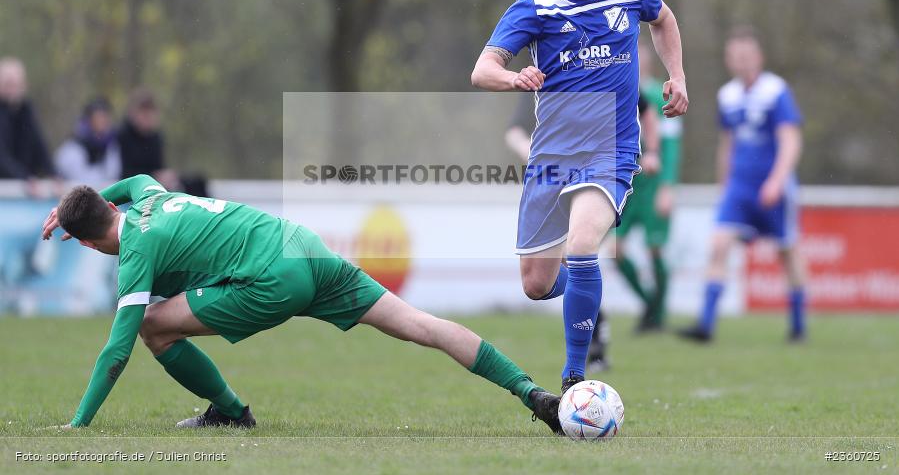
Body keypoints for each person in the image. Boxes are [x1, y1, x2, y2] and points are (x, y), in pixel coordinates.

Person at [40, 174, 563, 433]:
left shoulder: (134, 251)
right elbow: (132, 182)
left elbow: (117, 349)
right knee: (419, 324)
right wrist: (79, 206)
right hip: (302, 246)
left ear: (84, 242)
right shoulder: (149, 195)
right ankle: (532, 393)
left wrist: (78, 425)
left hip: (269, 279)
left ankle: (231, 412)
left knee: (152, 326)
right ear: (109, 204)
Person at [471, 0, 688, 393]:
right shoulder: (534, 6)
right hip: (552, 157)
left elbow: (664, 19)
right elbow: (482, 70)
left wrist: (677, 76)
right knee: (536, 283)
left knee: (583, 245)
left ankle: (575, 381)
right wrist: (514, 78)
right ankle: (588, 301)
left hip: (611, 152)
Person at [505, 87, 661, 372]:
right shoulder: (539, 77)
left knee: (580, 248)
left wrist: (652, 151)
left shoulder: (602, 68)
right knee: (547, 277)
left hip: (599, 174)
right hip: (550, 177)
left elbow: (646, 109)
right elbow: (514, 130)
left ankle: (588, 354)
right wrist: (533, 151)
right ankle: (595, 314)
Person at [678, 27, 806, 343]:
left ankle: (798, 326)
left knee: (787, 251)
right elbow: (728, 144)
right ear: (728, 60)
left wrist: (777, 181)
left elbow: (790, 139)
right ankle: (706, 325)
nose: (742, 62)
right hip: (739, 187)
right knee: (719, 245)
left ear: (759, 57)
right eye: (736, 56)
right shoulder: (728, 95)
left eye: (747, 55)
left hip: (772, 186)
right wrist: (724, 185)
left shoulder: (776, 91)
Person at [591, 35, 682, 345]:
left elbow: (671, 146)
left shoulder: (659, 95)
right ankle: (650, 307)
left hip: (653, 187)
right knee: (615, 251)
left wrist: (667, 186)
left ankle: (658, 316)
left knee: (654, 248)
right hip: (625, 186)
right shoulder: (616, 91)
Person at [0, 57, 56, 191]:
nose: (13, 89)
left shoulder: (26, 109)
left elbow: (38, 144)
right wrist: (24, 177)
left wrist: (53, 174)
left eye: (16, 84)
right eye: (9, 84)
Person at [55, 98, 121, 185]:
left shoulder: (112, 145)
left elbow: (113, 175)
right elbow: (77, 180)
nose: (103, 121)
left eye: (105, 117)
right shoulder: (73, 148)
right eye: (99, 117)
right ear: (89, 119)